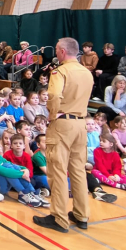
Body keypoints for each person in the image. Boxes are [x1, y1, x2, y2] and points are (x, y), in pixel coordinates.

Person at [33, 37, 92, 234]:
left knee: (57, 170)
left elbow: (55, 96)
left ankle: (59, 216)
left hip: (63, 124)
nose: (56, 52)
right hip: (81, 123)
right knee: (78, 170)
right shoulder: (86, 73)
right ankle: (81, 214)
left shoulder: (60, 71)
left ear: (62, 52)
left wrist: (52, 114)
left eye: (57, 49)